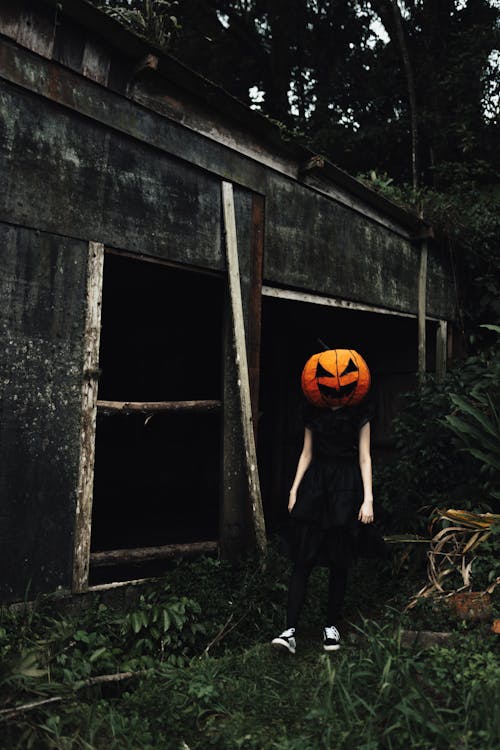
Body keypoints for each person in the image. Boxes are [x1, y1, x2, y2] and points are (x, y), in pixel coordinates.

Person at [271, 393, 385, 654]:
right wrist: (294, 489)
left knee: (339, 559)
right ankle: (289, 631)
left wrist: (368, 499)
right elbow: (306, 453)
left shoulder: (360, 413)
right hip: (316, 486)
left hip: (346, 486)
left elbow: (365, 458)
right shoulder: (313, 412)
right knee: (303, 558)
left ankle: (331, 627)